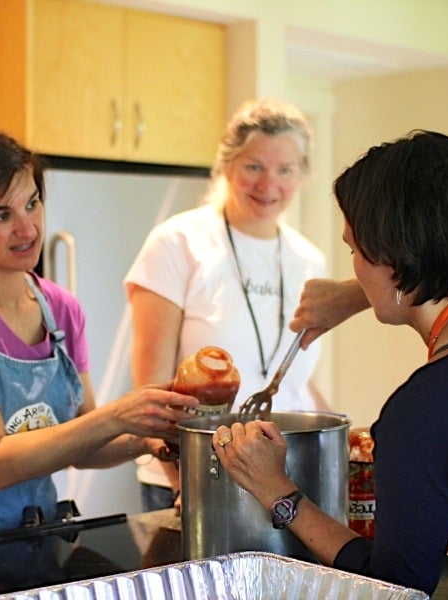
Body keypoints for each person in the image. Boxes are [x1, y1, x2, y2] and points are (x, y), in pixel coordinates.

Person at [212, 130, 448, 598]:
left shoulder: (426, 412)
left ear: (396, 260)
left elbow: (395, 586)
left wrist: (277, 490)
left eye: (354, 251)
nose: (354, 267)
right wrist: (352, 296)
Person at [0, 129, 199, 534]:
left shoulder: (60, 309)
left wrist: (147, 438)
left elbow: (84, 445)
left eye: (32, 204)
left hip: (35, 535)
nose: (28, 229)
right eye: (1, 215)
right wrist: (118, 415)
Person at [124, 98, 330, 512]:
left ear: (302, 173)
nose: (268, 184)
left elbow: (294, 379)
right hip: (199, 471)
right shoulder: (178, 242)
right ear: (227, 165)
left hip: (285, 474)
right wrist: (181, 481)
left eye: (285, 170)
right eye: (254, 166)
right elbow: (150, 384)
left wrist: (344, 442)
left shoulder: (308, 259)